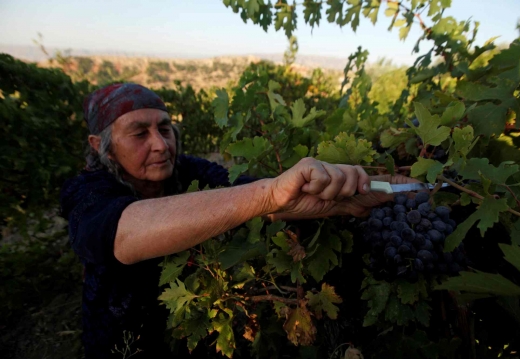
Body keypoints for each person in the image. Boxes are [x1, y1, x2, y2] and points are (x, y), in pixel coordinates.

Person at [60, 83, 414, 358]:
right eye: (140, 134)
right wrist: (266, 195)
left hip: (191, 331)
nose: (161, 145)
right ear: (101, 145)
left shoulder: (190, 170)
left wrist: (351, 198)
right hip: (123, 339)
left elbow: (251, 197)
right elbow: (122, 233)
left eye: (165, 129)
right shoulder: (86, 191)